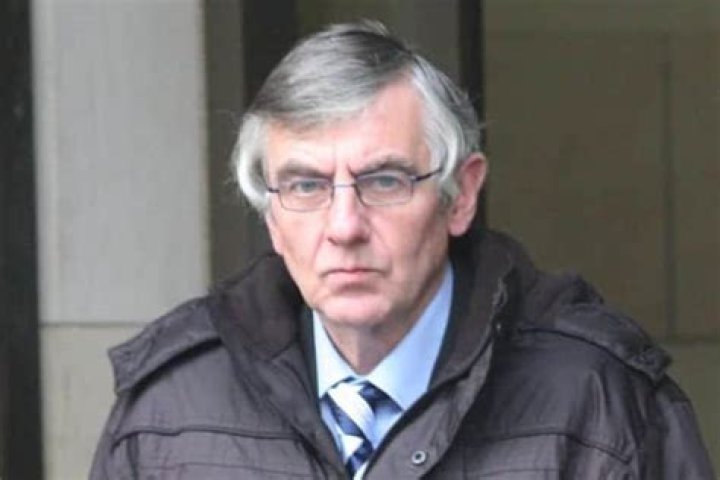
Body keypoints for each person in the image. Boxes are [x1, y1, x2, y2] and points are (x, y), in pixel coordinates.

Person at [90, 21, 714, 479]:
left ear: (460, 196)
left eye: (384, 181)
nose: (344, 226)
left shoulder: (598, 402)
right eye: (306, 186)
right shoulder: (168, 412)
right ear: (271, 217)